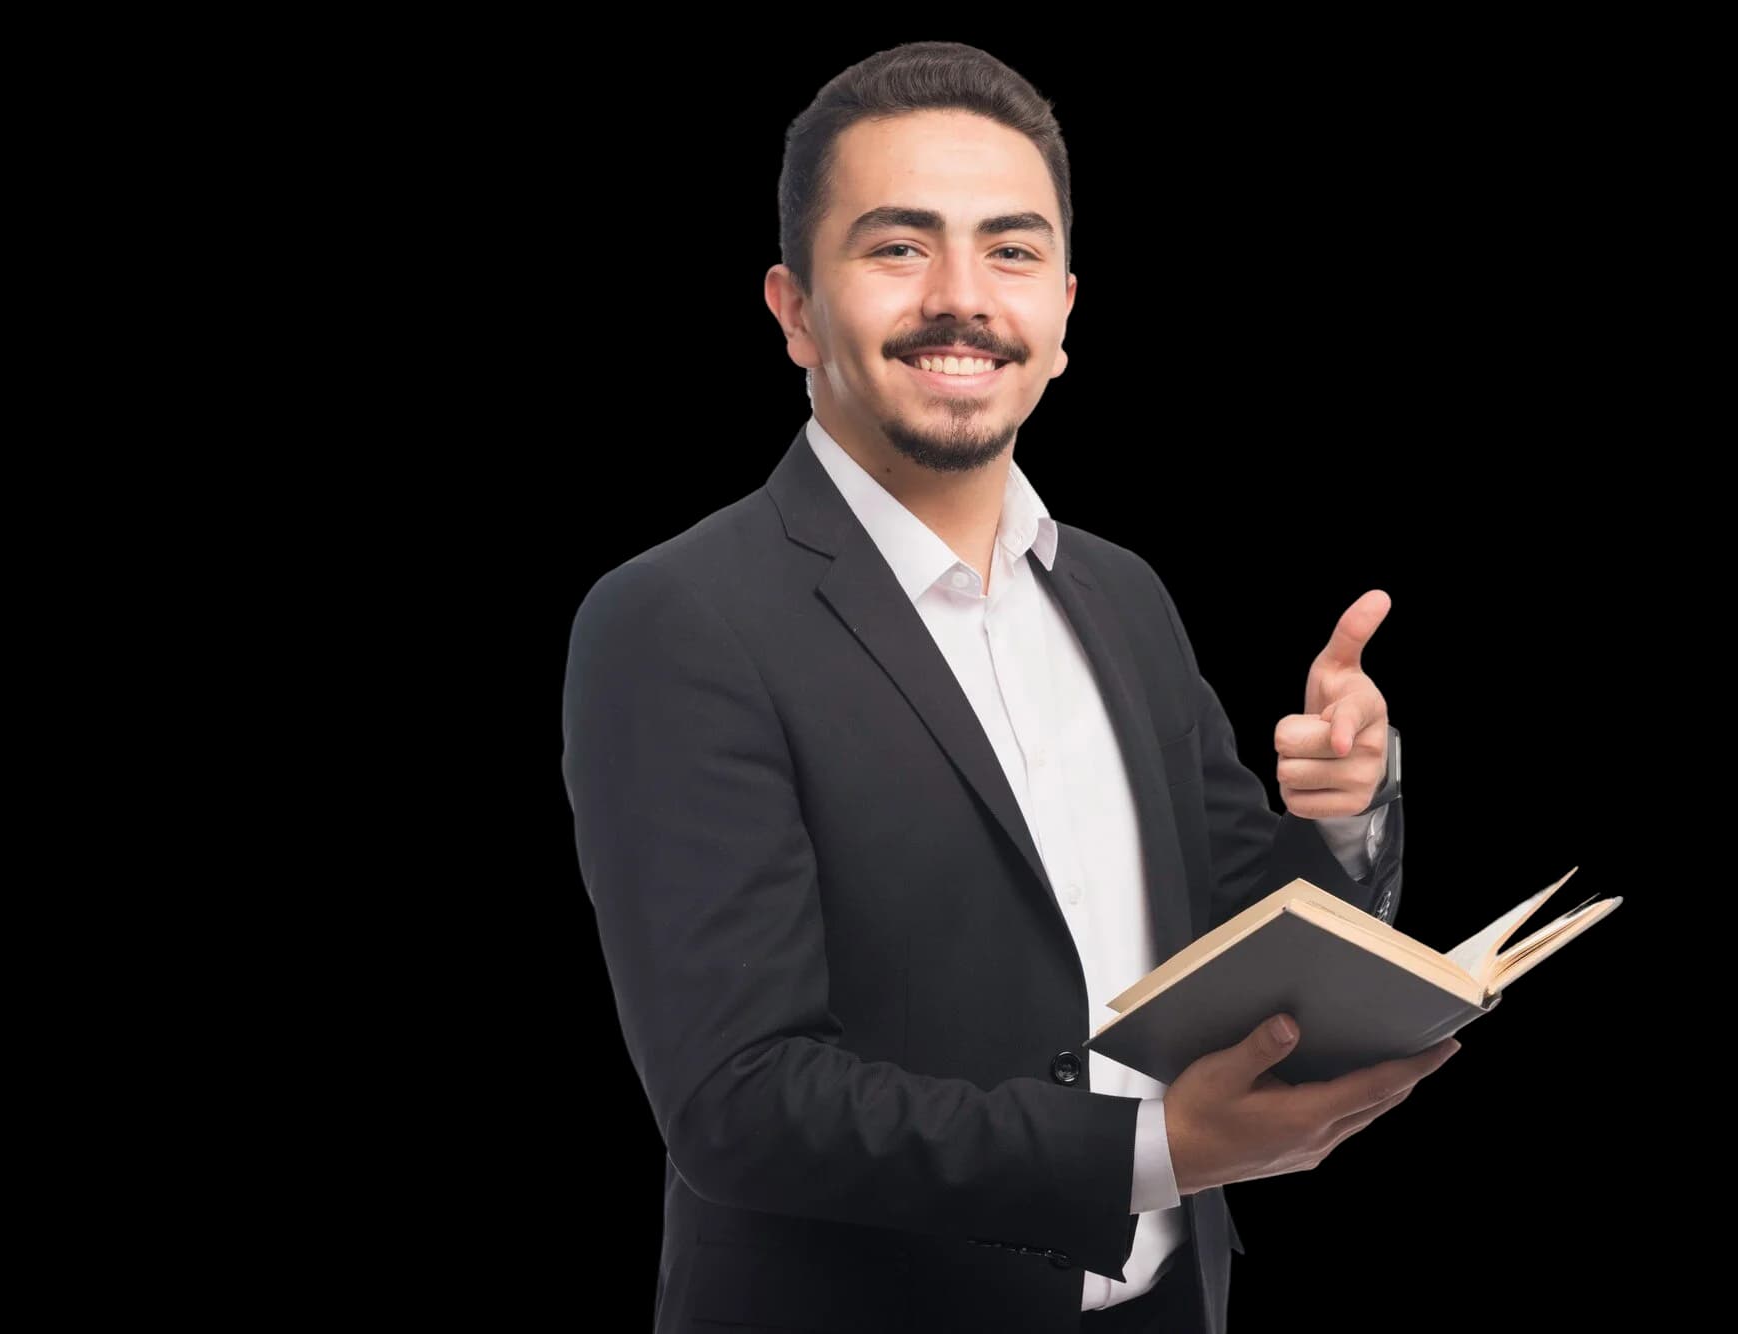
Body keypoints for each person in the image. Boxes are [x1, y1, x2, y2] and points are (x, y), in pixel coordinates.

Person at [560, 40, 1453, 1334]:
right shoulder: (675, 621)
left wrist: (1343, 813)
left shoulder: (1123, 595)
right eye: (898, 246)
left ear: (1064, 315)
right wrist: (1152, 1151)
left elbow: (1235, 935)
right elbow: (737, 1103)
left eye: (1012, 250)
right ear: (794, 309)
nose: (962, 298)